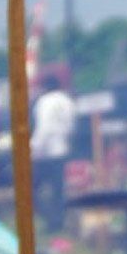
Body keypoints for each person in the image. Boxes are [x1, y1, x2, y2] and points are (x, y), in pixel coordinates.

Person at [31, 72, 76, 233]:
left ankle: (48, 219)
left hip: (45, 152)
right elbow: (71, 126)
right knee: (58, 190)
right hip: (61, 149)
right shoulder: (67, 101)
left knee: (32, 188)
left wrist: (35, 149)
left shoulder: (44, 102)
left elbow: (44, 128)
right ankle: (57, 221)